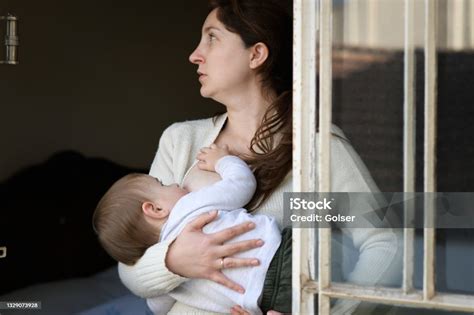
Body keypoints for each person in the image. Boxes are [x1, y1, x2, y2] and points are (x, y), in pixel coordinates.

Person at [118, 0, 401, 314]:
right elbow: (130, 265)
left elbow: (385, 245)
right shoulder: (181, 141)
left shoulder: (316, 148)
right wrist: (172, 260)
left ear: (256, 54)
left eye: (211, 38)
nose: (194, 54)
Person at [93, 144, 291, 314]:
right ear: (155, 209)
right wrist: (223, 161)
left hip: (265, 301)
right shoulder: (187, 206)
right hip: (282, 255)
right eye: (162, 184)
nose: (175, 183)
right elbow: (241, 184)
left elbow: (157, 307)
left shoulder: (168, 286)